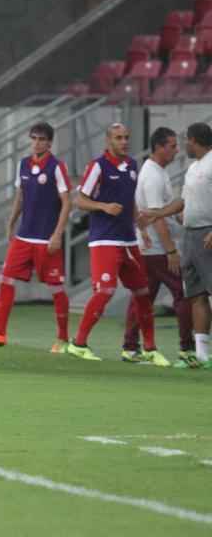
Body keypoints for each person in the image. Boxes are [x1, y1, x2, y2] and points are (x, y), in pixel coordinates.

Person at [68, 123, 164, 363]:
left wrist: (141, 227)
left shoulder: (131, 165)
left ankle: (148, 349)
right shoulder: (97, 166)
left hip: (128, 240)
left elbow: (129, 200)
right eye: (119, 138)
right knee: (105, 292)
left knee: (143, 292)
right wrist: (103, 206)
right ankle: (78, 344)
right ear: (108, 141)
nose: (124, 142)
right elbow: (79, 201)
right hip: (104, 240)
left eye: (126, 137)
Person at [0, 122, 72, 351]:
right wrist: (11, 221)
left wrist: (57, 234)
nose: (36, 143)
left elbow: (67, 202)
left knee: (56, 287)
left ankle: (63, 339)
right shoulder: (23, 165)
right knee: (5, 277)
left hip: (47, 240)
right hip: (24, 237)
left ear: (49, 142)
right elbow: (21, 195)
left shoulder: (57, 167)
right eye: (33, 138)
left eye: (41, 139)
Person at [121, 127, 198, 366]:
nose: (177, 150)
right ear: (159, 147)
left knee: (144, 296)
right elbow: (156, 217)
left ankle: (130, 347)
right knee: (184, 294)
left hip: (150, 248)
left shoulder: (157, 171)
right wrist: (171, 251)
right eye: (173, 146)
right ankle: (187, 349)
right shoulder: (153, 176)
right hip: (156, 249)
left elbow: (161, 213)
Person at [139, 122, 212, 366]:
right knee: (196, 294)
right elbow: (183, 202)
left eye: (186, 141)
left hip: (208, 233)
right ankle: (201, 354)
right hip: (191, 235)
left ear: (195, 140)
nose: (183, 147)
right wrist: (157, 214)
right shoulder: (193, 168)